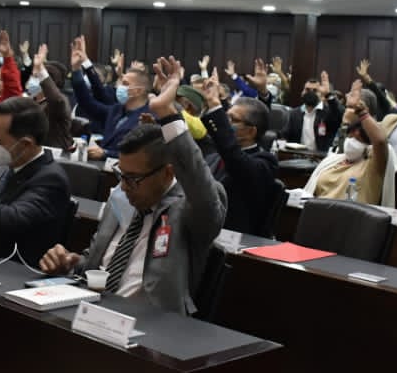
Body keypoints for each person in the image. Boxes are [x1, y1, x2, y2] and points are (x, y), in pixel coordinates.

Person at [40, 57, 228, 314]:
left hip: (151, 325)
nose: (124, 186)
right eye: (122, 175)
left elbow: (199, 183)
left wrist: (167, 113)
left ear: (167, 173)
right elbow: (94, 265)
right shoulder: (121, 198)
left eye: (133, 179)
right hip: (94, 310)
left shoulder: (188, 209)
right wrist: (71, 263)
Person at [0, 96, 74, 263]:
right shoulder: (7, 163)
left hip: (13, 265)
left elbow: (13, 219)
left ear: (26, 144)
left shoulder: (52, 179)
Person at [197, 71, 279, 236]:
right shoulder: (214, 156)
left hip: (235, 239)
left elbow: (235, 158)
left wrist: (215, 106)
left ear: (250, 131)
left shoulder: (265, 163)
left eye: (232, 120)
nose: (227, 124)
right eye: (225, 118)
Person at [301, 88, 396, 207]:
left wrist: (361, 112)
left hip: (349, 216)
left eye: (352, 107)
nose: (347, 111)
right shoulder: (334, 159)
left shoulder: (373, 159)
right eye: (349, 133)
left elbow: (380, 141)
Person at [69, 37, 150, 159]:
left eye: (125, 84)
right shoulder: (115, 110)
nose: (120, 87)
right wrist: (76, 70)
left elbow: (144, 155)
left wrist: (106, 153)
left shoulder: (148, 118)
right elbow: (86, 102)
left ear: (138, 90)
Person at [27, 44, 73, 153]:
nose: (31, 80)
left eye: (36, 77)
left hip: (54, 154)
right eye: (32, 76)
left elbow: (57, 100)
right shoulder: (32, 100)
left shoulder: (59, 102)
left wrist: (41, 71)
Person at [282, 73, 343, 153]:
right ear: (302, 92)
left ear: (321, 94)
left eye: (315, 91)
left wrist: (328, 94)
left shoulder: (328, 113)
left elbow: (339, 113)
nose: (310, 93)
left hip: (320, 157)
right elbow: (284, 135)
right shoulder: (294, 113)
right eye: (307, 90)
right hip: (297, 155)